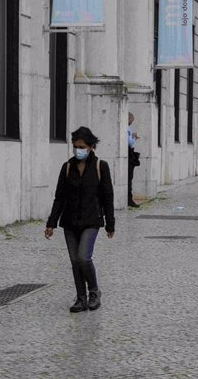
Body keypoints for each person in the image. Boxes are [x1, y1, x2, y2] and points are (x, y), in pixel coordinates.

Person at [45, 127, 115, 312]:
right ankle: (81, 298)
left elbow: (108, 196)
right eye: (75, 146)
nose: (78, 150)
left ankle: (94, 292)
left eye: (82, 146)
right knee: (75, 261)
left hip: (91, 220)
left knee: (84, 257)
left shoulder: (101, 166)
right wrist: (51, 223)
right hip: (69, 221)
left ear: (91, 147)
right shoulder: (67, 167)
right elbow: (59, 197)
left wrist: (110, 223)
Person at [127, 112, 140, 208]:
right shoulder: (127, 128)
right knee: (129, 177)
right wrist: (134, 137)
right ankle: (129, 199)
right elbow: (130, 142)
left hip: (129, 153)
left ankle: (129, 198)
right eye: (132, 120)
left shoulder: (128, 128)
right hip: (129, 152)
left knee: (130, 177)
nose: (132, 122)